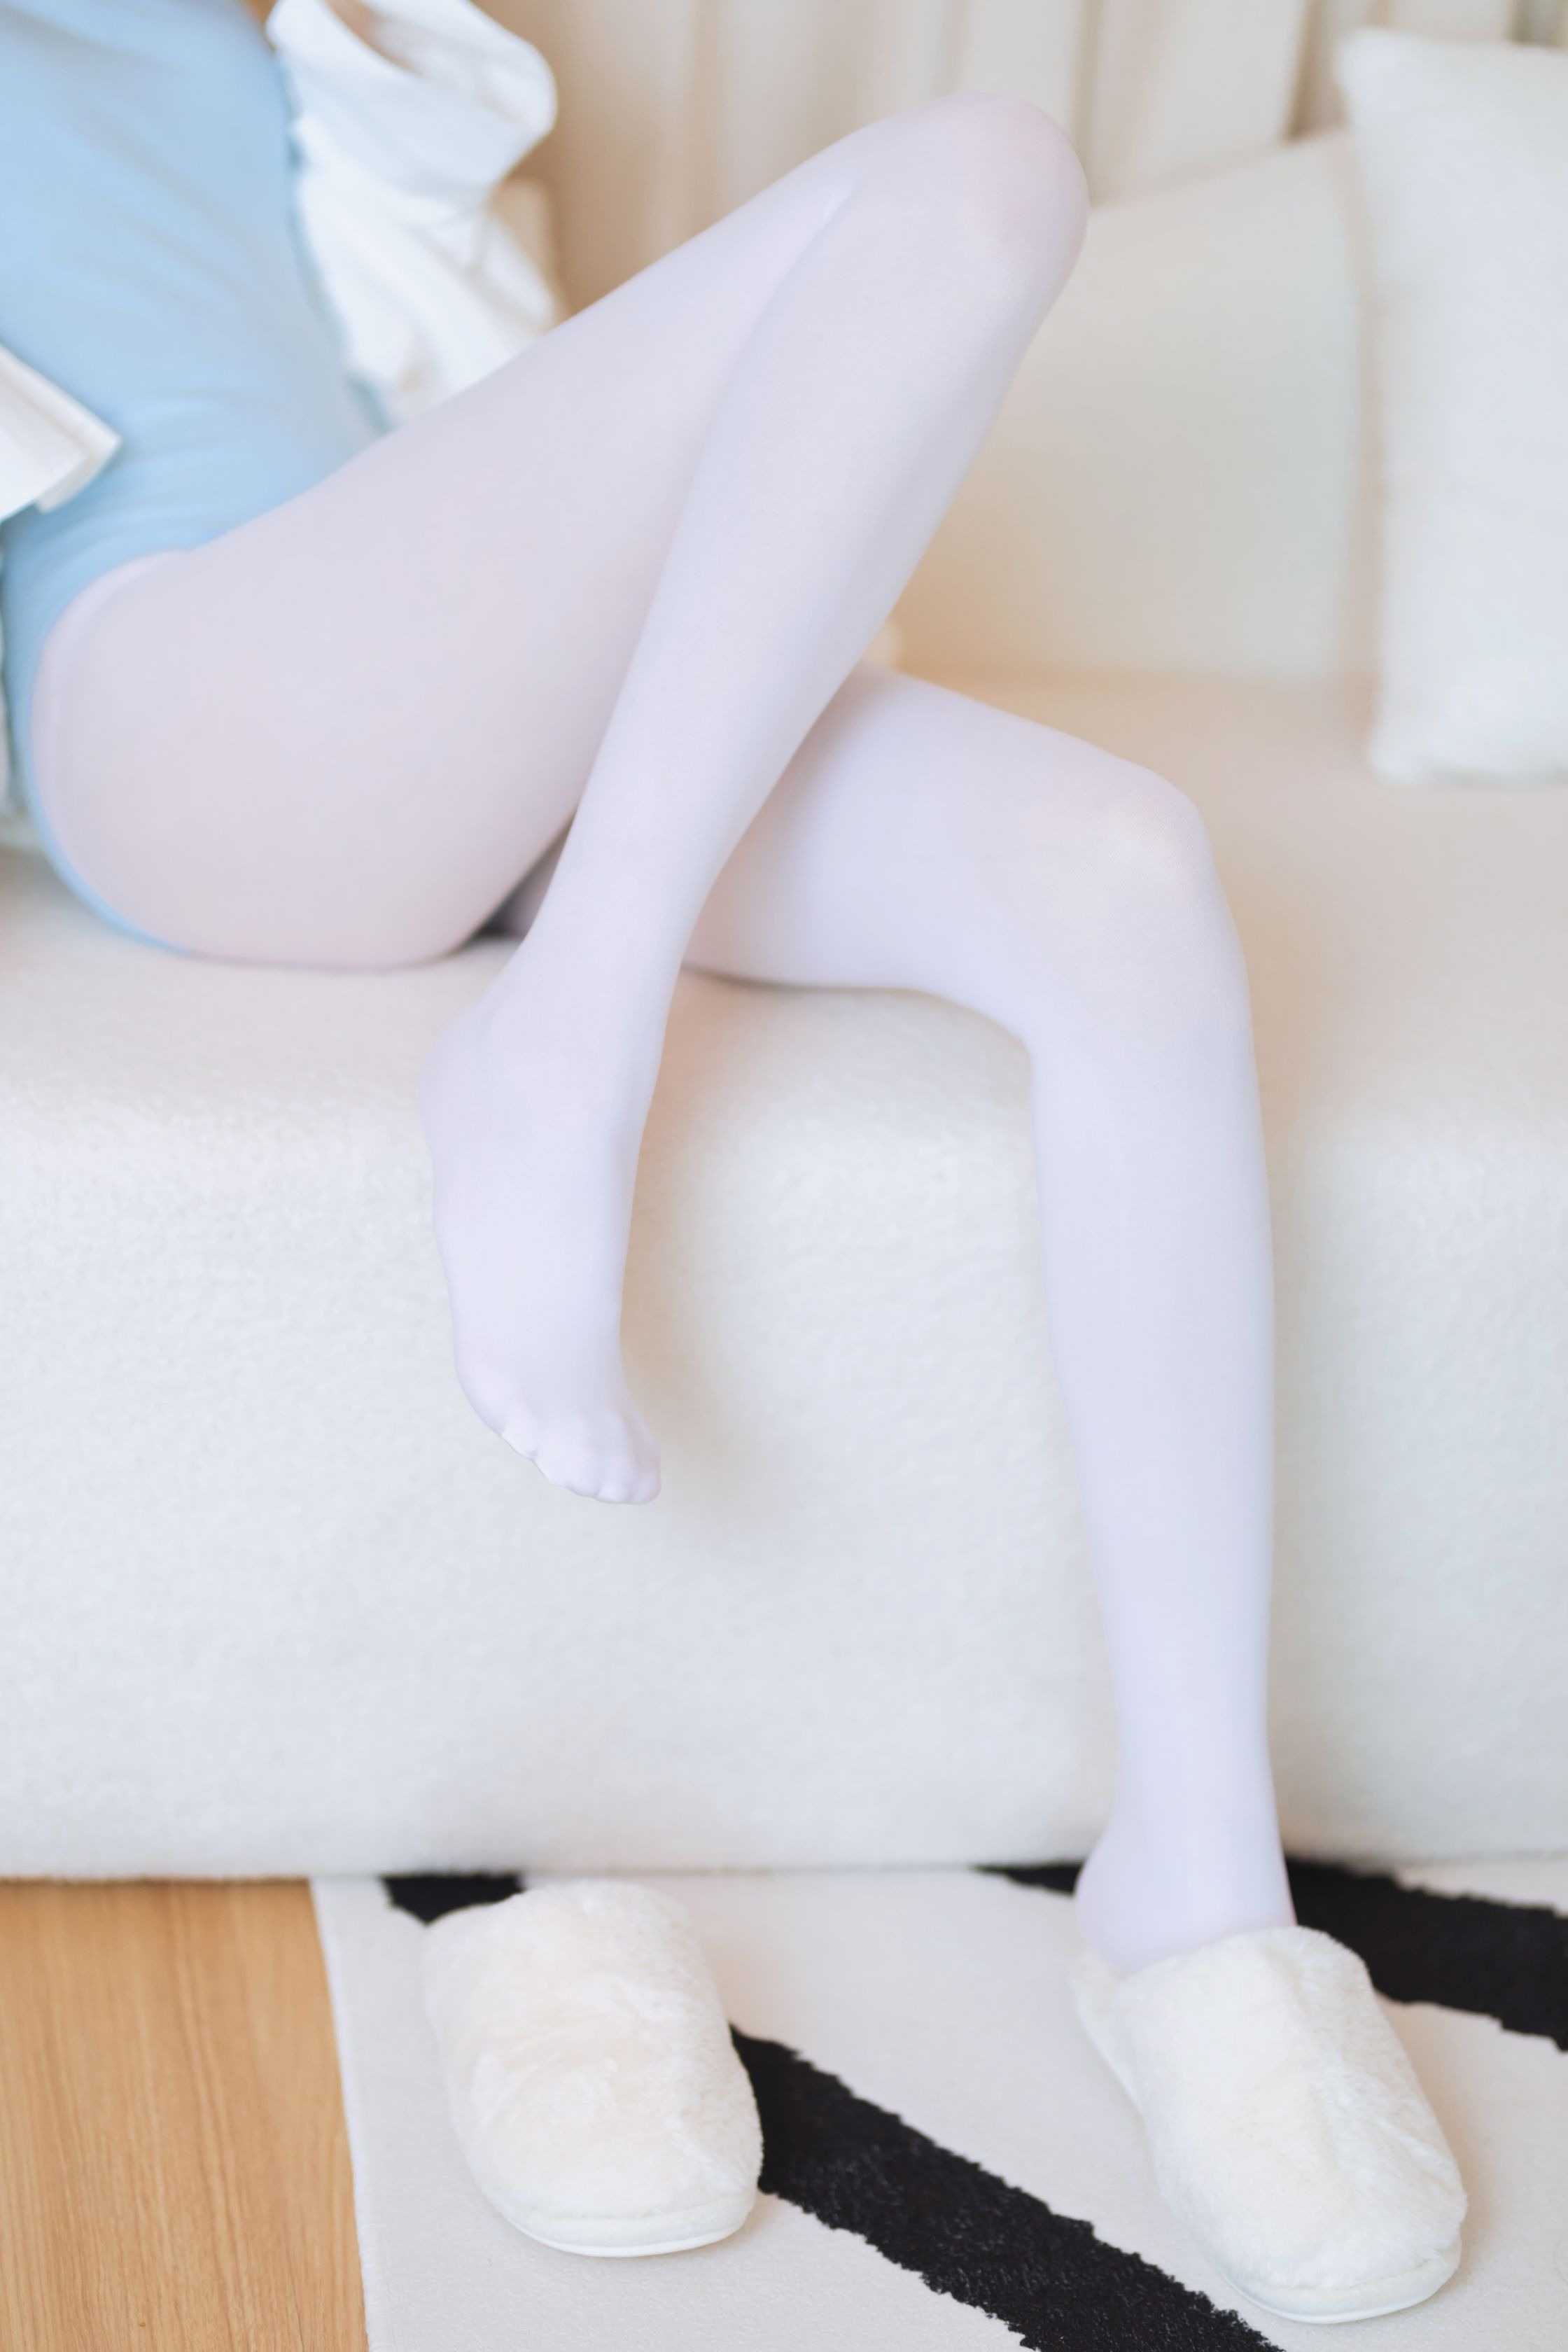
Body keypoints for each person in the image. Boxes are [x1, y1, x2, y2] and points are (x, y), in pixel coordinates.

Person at [0, 0, 1465, 2317]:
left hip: (469, 693)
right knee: (979, 176)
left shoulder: (260, 40)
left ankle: (1199, 1885)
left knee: (1126, 873)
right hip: (192, 698)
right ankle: (569, 1040)